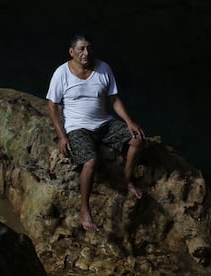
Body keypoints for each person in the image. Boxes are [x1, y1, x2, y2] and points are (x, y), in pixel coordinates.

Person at [46, 33, 145, 232]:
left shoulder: (103, 68)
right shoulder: (61, 73)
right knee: (91, 161)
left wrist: (129, 121)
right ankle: (85, 209)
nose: (86, 53)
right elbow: (52, 105)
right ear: (71, 51)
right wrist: (61, 135)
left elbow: (114, 99)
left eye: (89, 48)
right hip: (77, 127)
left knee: (138, 139)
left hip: (104, 124)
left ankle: (126, 180)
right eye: (81, 49)